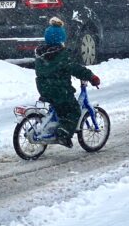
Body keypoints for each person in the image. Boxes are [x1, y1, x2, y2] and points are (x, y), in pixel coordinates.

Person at [34, 17, 101, 148]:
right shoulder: (63, 55)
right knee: (73, 111)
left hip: (43, 88)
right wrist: (91, 76)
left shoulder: (41, 54)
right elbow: (75, 69)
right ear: (61, 39)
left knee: (60, 108)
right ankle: (63, 134)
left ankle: (57, 126)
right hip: (60, 91)